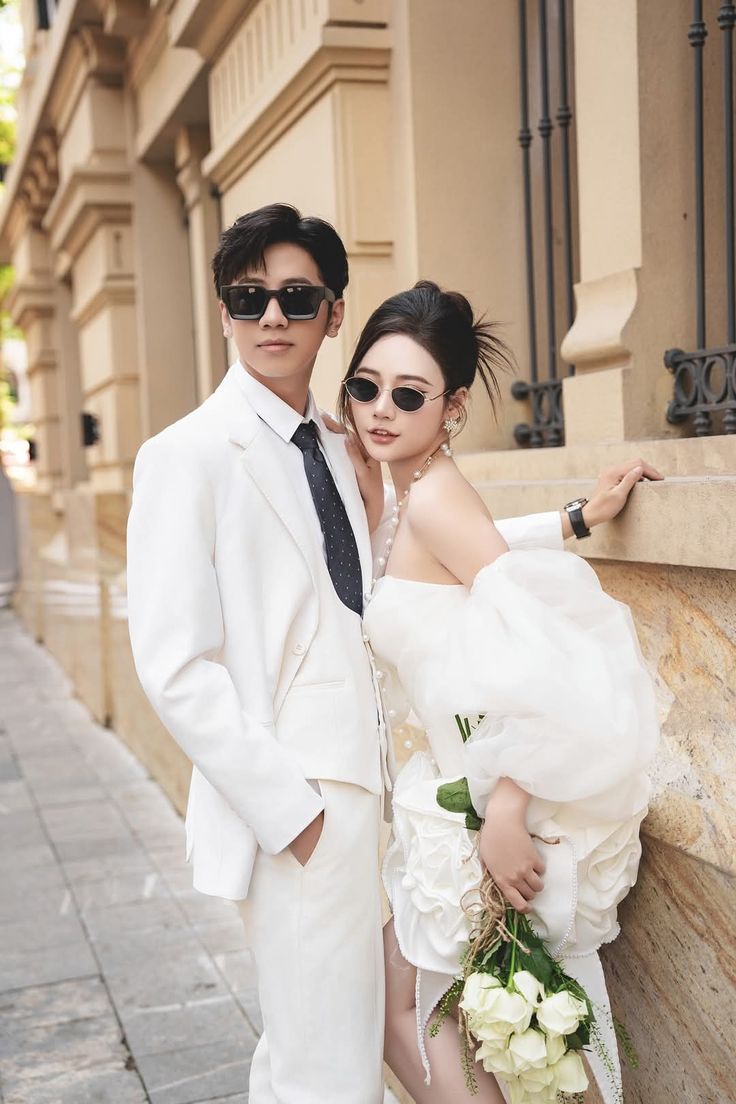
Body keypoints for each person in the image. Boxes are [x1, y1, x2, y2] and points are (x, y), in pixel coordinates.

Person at [127, 203, 653, 1103]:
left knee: (342, 1044)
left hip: (388, 798)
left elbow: (405, 558)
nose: (271, 317)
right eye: (249, 298)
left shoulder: (340, 445)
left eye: (297, 297)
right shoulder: (186, 456)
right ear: (223, 311)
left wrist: (570, 520)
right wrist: (291, 813)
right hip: (303, 804)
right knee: (324, 1064)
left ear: (333, 312)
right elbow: (173, 666)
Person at [339, 281, 661, 1104]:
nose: (380, 410)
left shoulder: (431, 497)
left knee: (463, 1027)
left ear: (451, 409)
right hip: (453, 793)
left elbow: (547, 652)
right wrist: (574, 519)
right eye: (365, 386)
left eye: (408, 395)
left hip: (487, 804)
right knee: (441, 1020)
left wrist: (508, 808)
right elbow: (467, 553)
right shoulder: (409, 491)